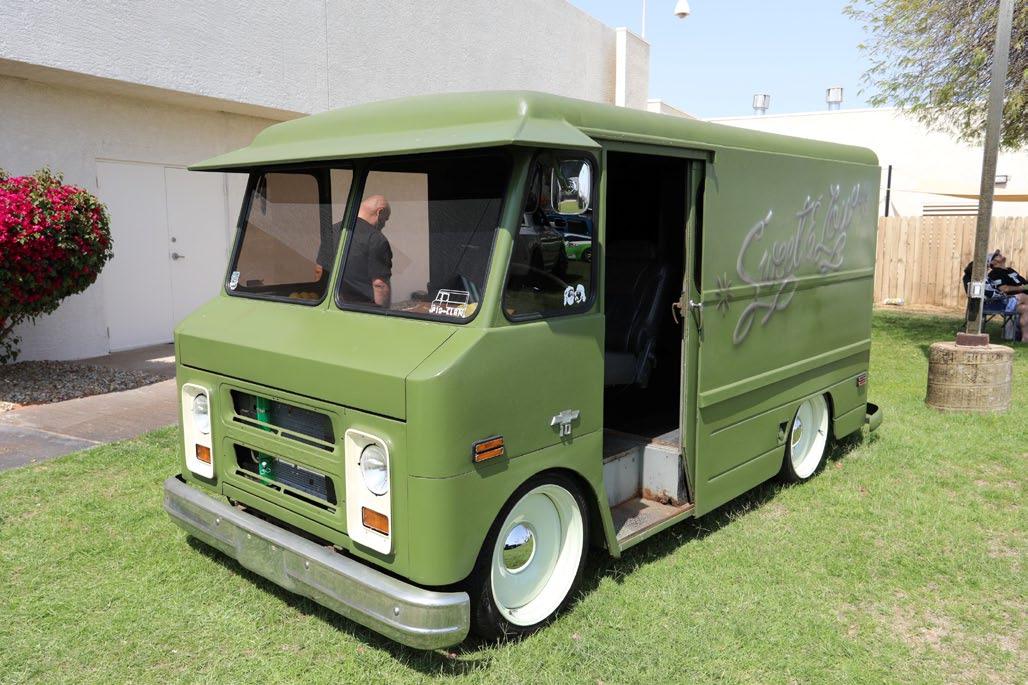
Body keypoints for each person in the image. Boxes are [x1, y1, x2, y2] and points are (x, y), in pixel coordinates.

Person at [339, 194, 393, 307]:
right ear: (379, 212)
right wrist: (383, 313)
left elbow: (320, 271)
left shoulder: (333, 231)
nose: (384, 224)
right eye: (385, 219)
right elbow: (379, 285)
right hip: (363, 310)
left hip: (335, 308)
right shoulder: (376, 239)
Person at [986, 249, 1028, 341]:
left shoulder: (1010, 270)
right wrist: (1022, 288)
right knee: (1025, 297)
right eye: (996, 255)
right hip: (1008, 300)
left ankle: (1025, 338)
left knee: (1025, 308)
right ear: (992, 262)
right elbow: (1004, 289)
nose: (1000, 255)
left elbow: (1023, 282)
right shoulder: (995, 273)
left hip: (1021, 300)